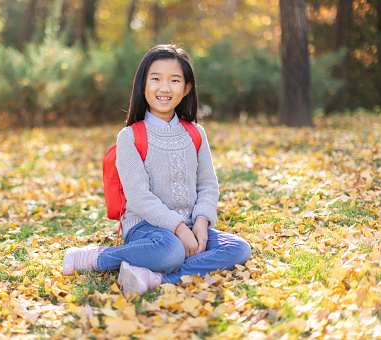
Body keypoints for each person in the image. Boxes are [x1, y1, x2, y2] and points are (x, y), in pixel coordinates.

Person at [63, 44, 251, 296]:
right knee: (170, 250)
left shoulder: (195, 133)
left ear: (185, 89)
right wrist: (179, 229)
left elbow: (207, 184)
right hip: (145, 228)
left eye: (174, 80)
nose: (165, 88)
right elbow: (139, 198)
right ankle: (101, 257)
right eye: (156, 79)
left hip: (190, 225)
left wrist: (201, 224)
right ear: (143, 85)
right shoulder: (130, 136)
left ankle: (158, 278)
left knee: (239, 249)